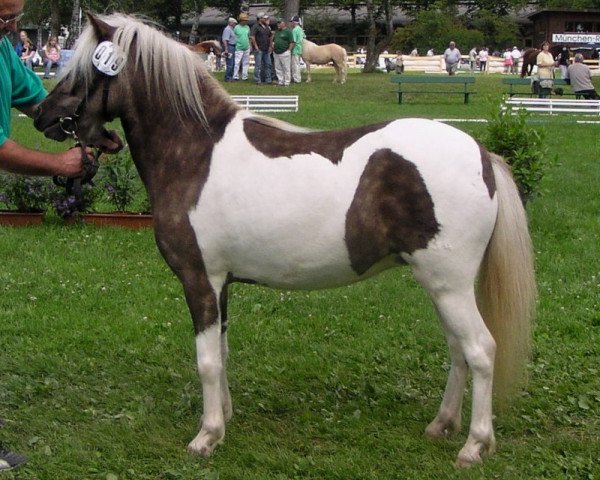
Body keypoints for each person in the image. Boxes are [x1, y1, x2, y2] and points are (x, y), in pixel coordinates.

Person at [0, 0, 87, 471]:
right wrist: (60, 164)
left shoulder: (3, 49)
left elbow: (36, 103)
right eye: (2, 17)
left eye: (15, 17)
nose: (12, 27)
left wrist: (82, 126)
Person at [250, 12, 272, 85]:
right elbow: (252, 37)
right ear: (260, 18)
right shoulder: (255, 26)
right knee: (258, 65)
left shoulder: (267, 27)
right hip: (259, 49)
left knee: (268, 64)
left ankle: (268, 79)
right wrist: (256, 47)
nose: (265, 19)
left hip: (266, 49)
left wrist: (270, 46)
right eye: (264, 18)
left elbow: (270, 36)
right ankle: (257, 80)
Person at [271, 18, 294, 87]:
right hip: (276, 52)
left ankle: (287, 82)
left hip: (284, 52)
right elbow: (274, 40)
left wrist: (289, 50)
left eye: (279, 23)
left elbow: (291, 42)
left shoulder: (288, 32)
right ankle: (280, 81)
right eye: (277, 23)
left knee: (286, 68)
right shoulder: (277, 31)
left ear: (283, 24)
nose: (278, 25)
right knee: (278, 68)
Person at [232, 12, 250, 81]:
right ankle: (235, 76)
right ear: (241, 20)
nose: (246, 21)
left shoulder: (247, 27)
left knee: (246, 62)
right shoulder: (236, 27)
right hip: (239, 47)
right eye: (245, 20)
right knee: (237, 62)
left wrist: (249, 45)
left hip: (246, 47)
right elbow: (234, 37)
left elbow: (248, 37)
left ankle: (245, 76)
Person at [221, 17, 237, 82]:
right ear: (230, 23)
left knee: (233, 63)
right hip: (229, 46)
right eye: (234, 23)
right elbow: (225, 40)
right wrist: (226, 49)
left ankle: (230, 76)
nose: (235, 24)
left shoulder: (232, 29)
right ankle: (228, 77)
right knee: (230, 63)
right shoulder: (227, 29)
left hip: (233, 46)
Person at [290, 16, 305, 84]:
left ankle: (296, 79)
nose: (291, 23)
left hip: (295, 49)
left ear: (294, 22)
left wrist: (290, 49)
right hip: (300, 48)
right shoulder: (300, 29)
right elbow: (304, 36)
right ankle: (297, 78)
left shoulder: (294, 30)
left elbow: (294, 41)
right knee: (297, 64)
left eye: (291, 22)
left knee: (295, 65)